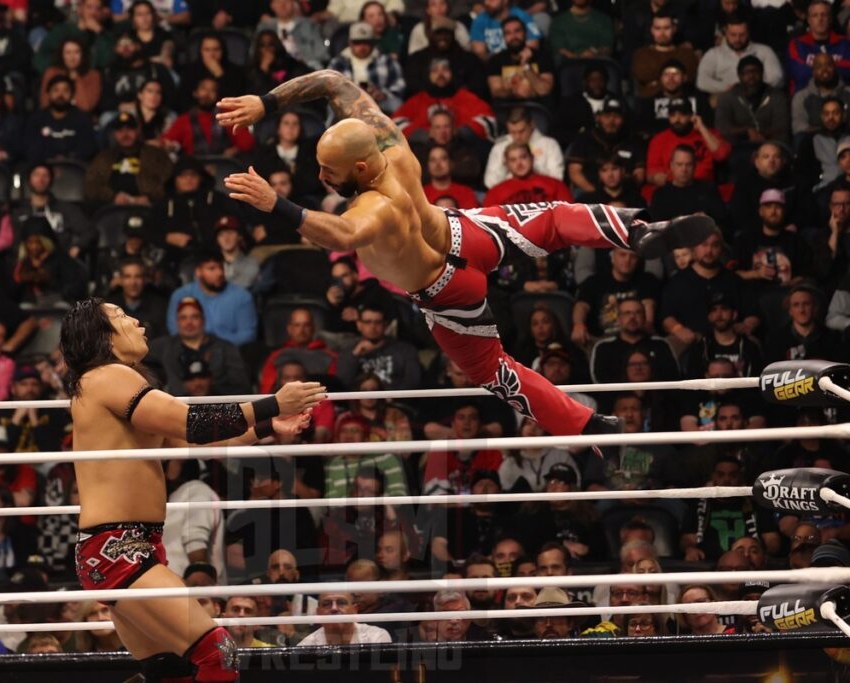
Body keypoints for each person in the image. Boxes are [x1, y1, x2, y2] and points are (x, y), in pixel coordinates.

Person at [218, 70, 718, 437]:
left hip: (444, 291)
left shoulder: (376, 205)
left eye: (331, 172)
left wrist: (275, 203)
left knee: (492, 372)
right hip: (463, 232)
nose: (323, 179)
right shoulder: (391, 144)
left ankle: (589, 427)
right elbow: (332, 81)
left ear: (363, 170)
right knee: (554, 219)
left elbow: (340, 236)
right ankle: (638, 228)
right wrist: (267, 101)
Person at [60, 298, 324, 680]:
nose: (137, 321)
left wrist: (269, 426)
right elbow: (193, 423)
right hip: (120, 547)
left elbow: (196, 443)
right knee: (220, 654)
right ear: (102, 335)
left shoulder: (113, 386)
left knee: (170, 670)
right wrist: (271, 403)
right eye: (121, 317)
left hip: (126, 546)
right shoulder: (106, 376)